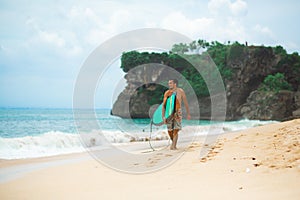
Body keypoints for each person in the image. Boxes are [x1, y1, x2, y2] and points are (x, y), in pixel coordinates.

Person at [162, 79, 191, 150]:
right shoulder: (167, 93)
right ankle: (173, 143)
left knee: (176, 129)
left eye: (171, 83)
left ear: (175, 84)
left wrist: (188, 113)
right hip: (169, 112)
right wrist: (163, 116)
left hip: (178, 112)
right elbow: (164, 105)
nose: (169, 84)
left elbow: (185, 102)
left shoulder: (180, 91)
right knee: (170, 130)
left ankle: (174, 145)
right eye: (169, 83)